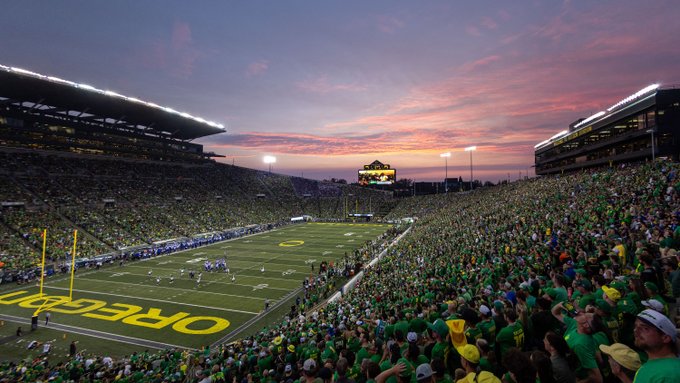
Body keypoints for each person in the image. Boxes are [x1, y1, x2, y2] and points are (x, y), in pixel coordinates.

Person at [632, 309, 680, 382]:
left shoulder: (666, 375)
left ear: (665, 338)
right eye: (635, 326)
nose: (636, 330)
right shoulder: (657, 367)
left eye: (645, 328)